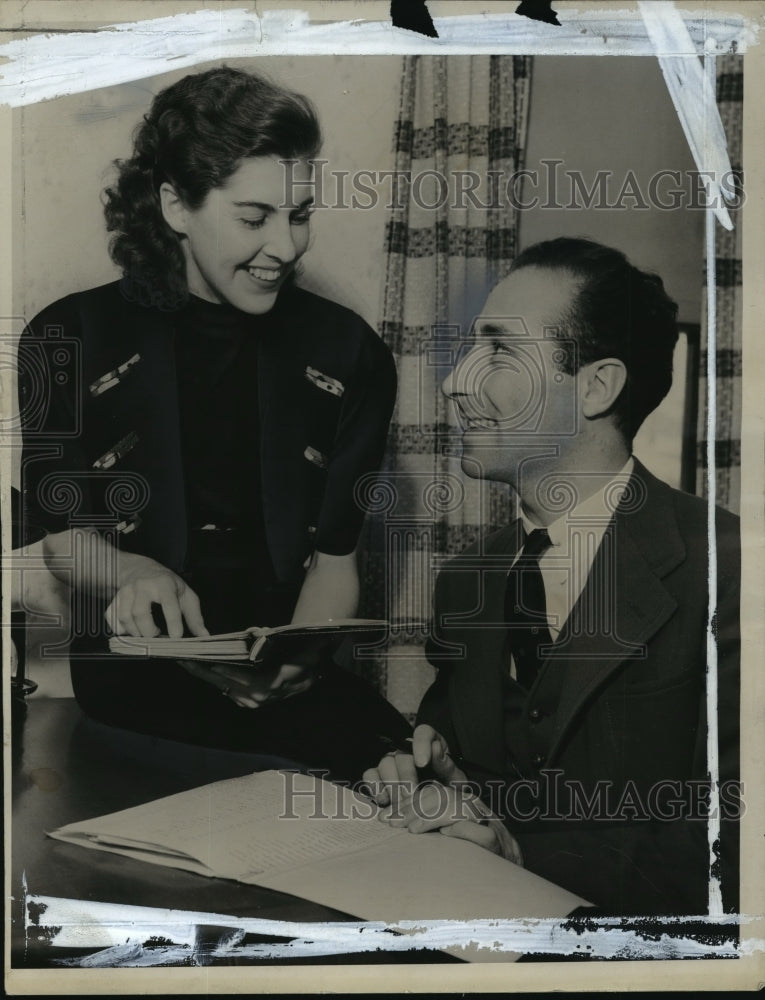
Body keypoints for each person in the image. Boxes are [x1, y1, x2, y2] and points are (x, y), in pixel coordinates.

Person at [19, 66, 411, 781]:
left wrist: (297, 662)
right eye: (254, 218)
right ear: (175, 205)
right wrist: (133, 570)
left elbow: (333, 563)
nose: (288, 248)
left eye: (299, 215)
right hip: (137, 673)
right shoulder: (64, 338)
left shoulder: (352, 353)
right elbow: (63, 542)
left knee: (405, 763)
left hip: (287, 668)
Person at [364, 238, 740, 916]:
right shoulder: (466, 580)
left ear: (596, 387)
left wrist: (517, 852)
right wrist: (445, 781)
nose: (454, 382)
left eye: (500, 350)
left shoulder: (733, 568)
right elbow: (480, 771)